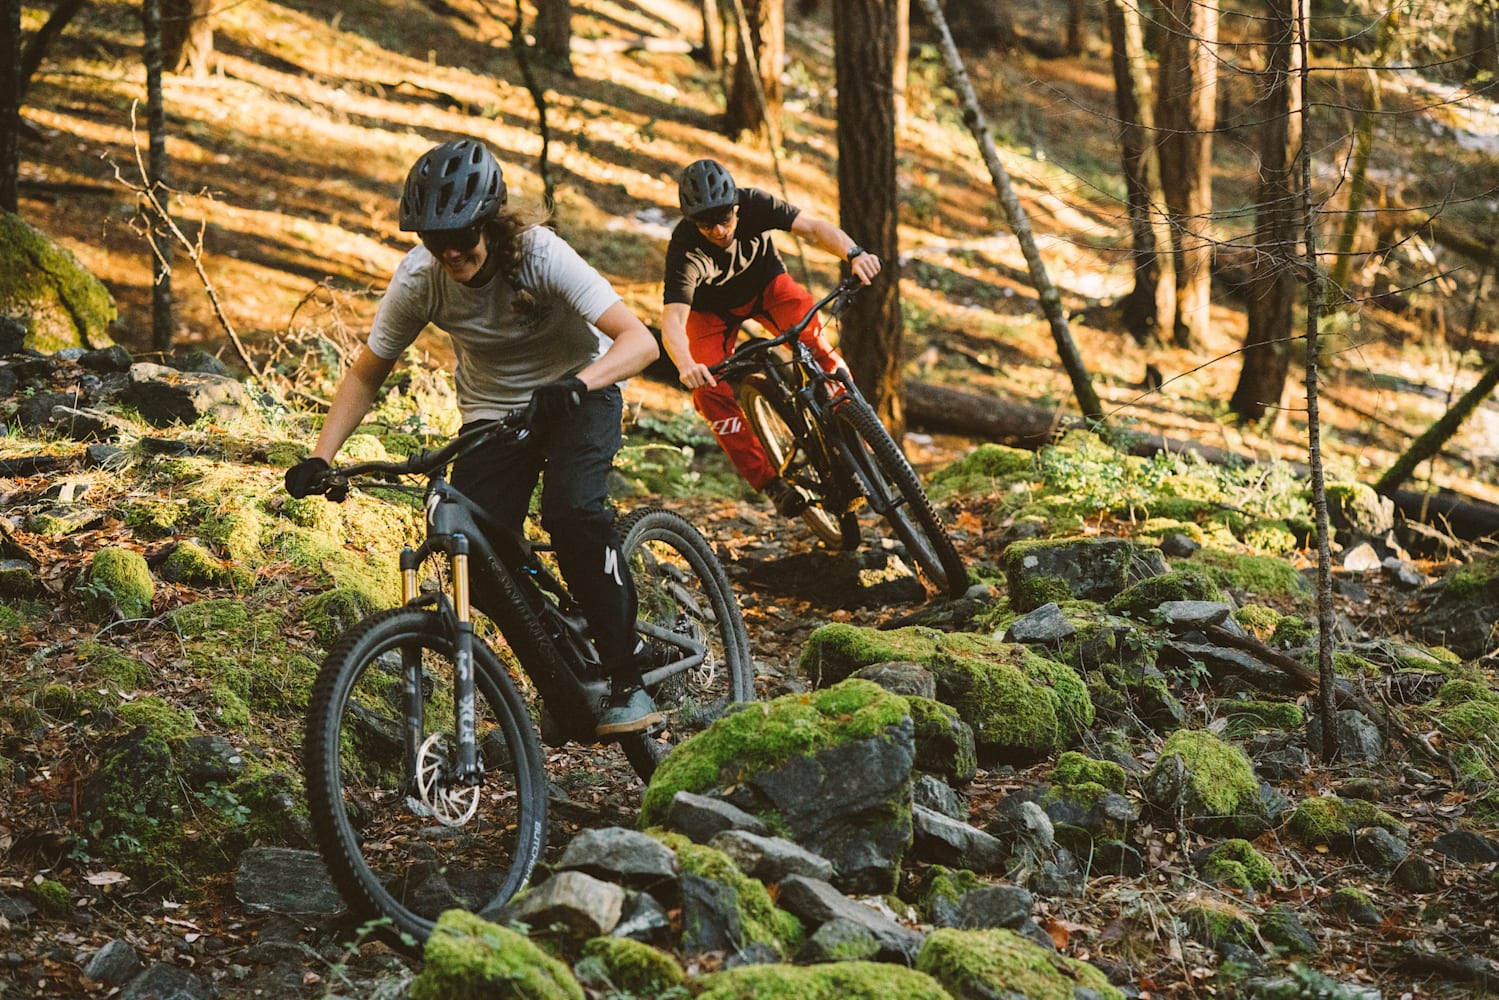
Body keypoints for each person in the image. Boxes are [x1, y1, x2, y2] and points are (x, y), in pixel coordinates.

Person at [284, 138, 664, 738]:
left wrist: (578, 384)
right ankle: (562, 674)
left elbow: (640, 342)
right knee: (479, 560)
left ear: (489, 222)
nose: (451, 252)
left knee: (573, 515)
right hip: (493, 414)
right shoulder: (421, 279)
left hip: (579, 394)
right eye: (436, 241)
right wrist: (319, 455)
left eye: (462, 236)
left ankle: (627, 673)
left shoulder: (541, 255)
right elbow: (366, 371)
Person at [660, 158, 882, 516]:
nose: (718, 230)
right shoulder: (684, 248)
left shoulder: (755, 204)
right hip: (711, 314)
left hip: (767, 289)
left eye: (725, 219)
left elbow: (810, 227)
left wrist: (853, 253)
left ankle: (860, 436)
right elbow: (673, 316)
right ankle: (771, 482)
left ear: (736, 206)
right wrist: (685, 364)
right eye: (706, 224)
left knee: (816, 343)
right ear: (692, 222)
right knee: (707, 390)